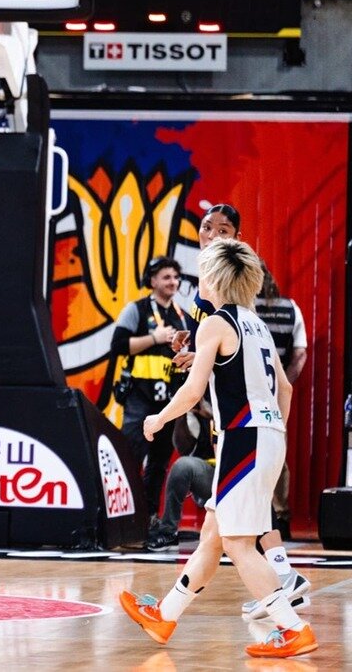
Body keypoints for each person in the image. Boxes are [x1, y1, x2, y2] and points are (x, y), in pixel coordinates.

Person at [119, 239, 317, 660]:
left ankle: (293, 628)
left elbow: (192, 392)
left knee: (239, 544)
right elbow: (284, 386)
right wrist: (273, 427)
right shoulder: (254, 323)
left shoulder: (215, 324)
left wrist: (157, 420)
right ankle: (165, 615)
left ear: (212, 278)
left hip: (243, 438)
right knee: (213, 535)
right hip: (268, 437)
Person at [173, 202, 310, 616]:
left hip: (245, 424)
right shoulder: (210, 296)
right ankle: (164, 614)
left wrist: (162, 416)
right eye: (206, 226)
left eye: (223, 228)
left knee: (235, 531)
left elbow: (232, 348)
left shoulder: (229, 295)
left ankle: (287, 605)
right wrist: (196, 350)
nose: (212, 233)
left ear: (236, 239)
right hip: (257, 427)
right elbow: (225, 350)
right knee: (223, 525)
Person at [111, 255, 187, 540]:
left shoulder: (181, 315)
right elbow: (118, 345)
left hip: (168, 401)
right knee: (130, 458)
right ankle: (120, 519)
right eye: (166, 277)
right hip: (139, 400)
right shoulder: (137, 309)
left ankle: (149, 519)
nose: (173, 282)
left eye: (176, 277)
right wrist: (154, 338)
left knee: (158, 463)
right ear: (152, 280)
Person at [253, 261, 308, 538]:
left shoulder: (236, 310)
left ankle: (251, 519)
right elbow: (299, 356)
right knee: (277, 456)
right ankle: (281, 518)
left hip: (241, 397)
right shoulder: (291, 308)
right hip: (273, 397)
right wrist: (280, 385)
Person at [146, 399, 216, 552]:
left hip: (240, 474)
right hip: (211, 473)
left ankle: (266, 532)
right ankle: (168, 531)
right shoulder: (199, 404)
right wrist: (182, 413)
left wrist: (213, 415)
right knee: (182, 465)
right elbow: (183, 448)